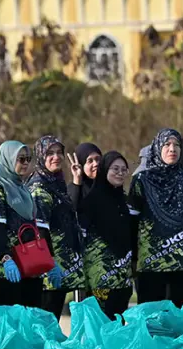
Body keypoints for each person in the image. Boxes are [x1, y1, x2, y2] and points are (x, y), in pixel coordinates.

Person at [128, 129, 183, 308]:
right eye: (167, 144)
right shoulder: (141, 180)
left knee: (182, 319)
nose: (172, 149)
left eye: (176, 145)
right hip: (150, 263)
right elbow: (132, 223)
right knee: (151, 319)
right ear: (157, 148)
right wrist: (133, 258)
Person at [0, 141, 49, 309]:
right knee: (10, 320)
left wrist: (48, 258)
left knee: (30, 320)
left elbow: (34, 226)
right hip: (9, 269)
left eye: (28, 158)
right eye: (21, 159)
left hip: (30, 263)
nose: (26, 163)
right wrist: (6, 258)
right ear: (8, 160)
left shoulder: (23, 188)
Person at [28, 136, 81, 318]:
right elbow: (40, 231)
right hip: (48, 272)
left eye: (59, 152)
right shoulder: (39, 187)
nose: (56, 157)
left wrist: (76, 181)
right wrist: (49, 263)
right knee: (45, 327)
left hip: (62, 267)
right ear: (41, 156)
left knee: (52, 325)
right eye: (50, 153)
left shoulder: (56, 184)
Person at [80, 151, 135, 318]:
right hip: (100, 273)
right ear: (104, 170)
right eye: (115, 169)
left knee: (120, 317)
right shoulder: (92, 199)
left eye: (123, 169)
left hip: (123, 272)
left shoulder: (124, 200)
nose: (119, 173)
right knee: (102, 318)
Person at [66, 142, 102, 209]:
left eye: (98, 159)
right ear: (82, 165)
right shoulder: (73, 189)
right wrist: (77, 179)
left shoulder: (108, 186)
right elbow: (72, 210)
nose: (96, 164)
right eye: (90, 161)